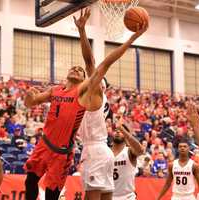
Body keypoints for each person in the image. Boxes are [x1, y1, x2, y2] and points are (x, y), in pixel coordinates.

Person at [23, 9, 148, 200]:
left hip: (87, 150)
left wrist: (131, 38)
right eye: (75, 69)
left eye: (83, 72)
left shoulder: (89, 90)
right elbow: (31, 102)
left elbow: (95, 62)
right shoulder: (58, 91)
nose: (79, 69)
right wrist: (29, 98)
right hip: (78, 147)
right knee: (31, 181)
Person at [75, 9, 115, 200]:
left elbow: (89, 62)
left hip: (94, 150)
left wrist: (82, 31)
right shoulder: (91, 98)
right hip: (103, 149)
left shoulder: (94, 91)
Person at [111, 121, 144, 200]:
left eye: (121, 131)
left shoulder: (129, 151)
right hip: (109, 196)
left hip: (127, 197)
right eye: (116, 130)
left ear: (126, 135)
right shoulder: (106, 153)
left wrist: (123, 130)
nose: (118, 132)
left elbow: (140, 150)